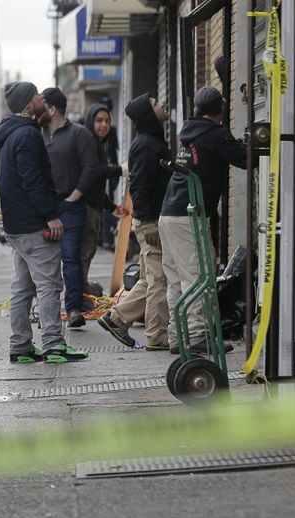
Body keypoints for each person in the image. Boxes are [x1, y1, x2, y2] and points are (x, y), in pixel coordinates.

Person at [0, 81, 87, 365]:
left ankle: (20, 346)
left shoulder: (10, 135)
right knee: (49, 284)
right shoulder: (27, 135)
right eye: (36, 95)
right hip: (34, 225)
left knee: (22, 286)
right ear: (26, 104)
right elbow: (32, 179)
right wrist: (50, 215)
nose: (41, 98)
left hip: (16, 225)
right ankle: (54, 345)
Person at [157, 86, 246, 354]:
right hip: (189, 216)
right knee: (198, 277)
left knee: (175, 280)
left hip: (168, 215)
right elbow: (245, 158)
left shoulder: (189, 132)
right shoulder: (215, 135)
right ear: (221, 109)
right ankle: (196, 337)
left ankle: (177, 336)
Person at [98, 93, 172, 351]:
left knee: (148, 277)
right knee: (159, 279)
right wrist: (148, 224)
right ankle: (156, 334)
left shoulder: (152, 141)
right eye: (155, 104)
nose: (162, 104)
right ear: (147, 114)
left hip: (152, 220)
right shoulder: (146, 145)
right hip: (150, 222)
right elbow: (138, 187)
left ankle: (116, 318)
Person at [40, 87, 101, 329]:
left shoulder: (79, 134)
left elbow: (91, 168)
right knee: (46, 262)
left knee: (71, 259)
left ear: (52, 109)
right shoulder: (38, 134)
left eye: (42, 105)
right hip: (45, 209)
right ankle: (48, 310)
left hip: (71, 207)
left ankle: (74, 309)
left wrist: (75, 196)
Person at [80, 103, 124, 283]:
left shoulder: (98, 144)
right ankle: (79, 298)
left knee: (89, 252)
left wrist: (111, 207)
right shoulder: (87, 141)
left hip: (94, 209)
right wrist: (120, 171)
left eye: (107, 121)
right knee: (84, 253)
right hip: (85, 210)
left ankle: (82, 294)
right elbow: (95, 172)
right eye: (99, 120)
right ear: (90, 121)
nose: (104, 125)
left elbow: (96, 185)